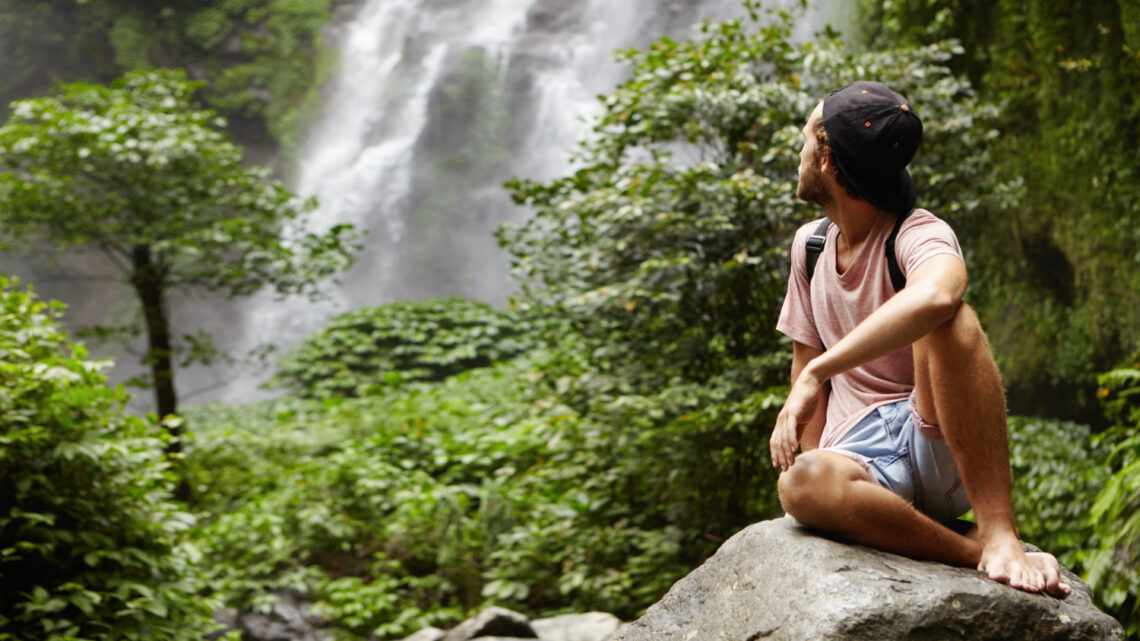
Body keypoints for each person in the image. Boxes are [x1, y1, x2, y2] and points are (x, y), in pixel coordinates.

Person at [771, 80, 1071, 597]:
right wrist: (816, 463)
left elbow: (937, 294)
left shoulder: (917, 232)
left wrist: (821, 373)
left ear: (825, 160)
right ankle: (972, 549)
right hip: (861, 457)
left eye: (803, 141)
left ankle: (999, 529)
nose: (796, 152)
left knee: (953, 319)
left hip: (932, 436)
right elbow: (806, 362)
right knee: (799, 484)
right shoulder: (811, 246)